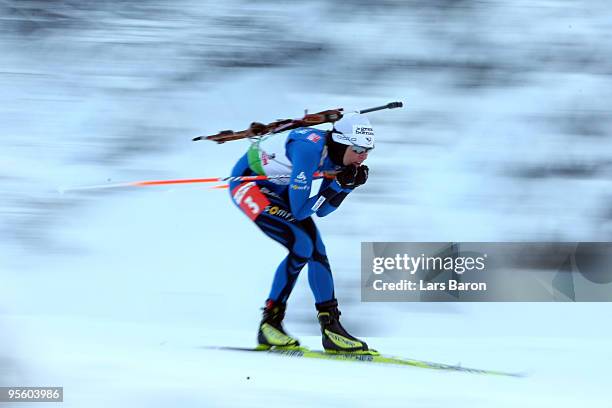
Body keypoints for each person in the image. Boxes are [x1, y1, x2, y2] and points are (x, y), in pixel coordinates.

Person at [228, 113, 377, 355]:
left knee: (317, 251)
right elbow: (300, 211)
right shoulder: (308, 150)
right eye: (359, 149)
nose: (363, 156)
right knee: (302, 245)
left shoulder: (342, 157)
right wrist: (338, 186)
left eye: (369, 150)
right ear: (341, 142)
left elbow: (322, 211)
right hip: (250, 184)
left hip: (279, 187)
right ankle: (270, 322)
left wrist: (345, 188)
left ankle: (331, 328)